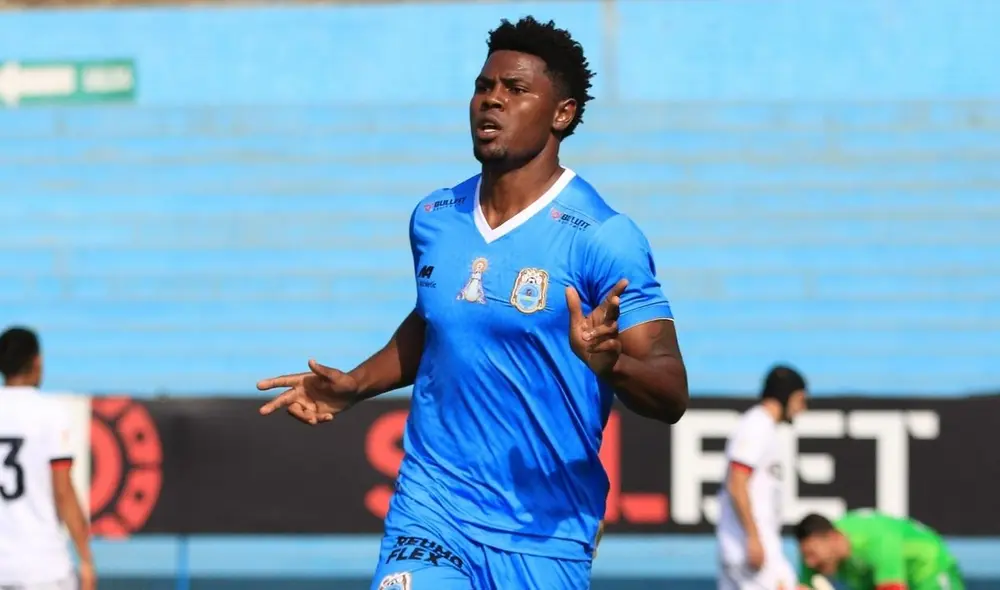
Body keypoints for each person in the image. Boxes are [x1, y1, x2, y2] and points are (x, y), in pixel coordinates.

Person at [257, 15, 688, 590]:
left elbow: (670, 390)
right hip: (430, 510)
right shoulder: (435, 218)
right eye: (485, 86)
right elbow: (439, 323)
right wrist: (356, 384)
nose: (492, 101)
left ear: (562, 114)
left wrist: (613, 365)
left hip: (542, 534)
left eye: (516, 90)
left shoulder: (603, 236)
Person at [0, 326, 95, 590]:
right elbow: (63, 493)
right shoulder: (50, 413)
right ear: (36, 361)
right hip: (42, 567)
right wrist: (86, 558)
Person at [716, 365, 809, 590]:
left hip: (745, 544)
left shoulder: (764, 428)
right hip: (750, 547)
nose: (802, 409)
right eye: (801, 400)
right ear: (789, 396)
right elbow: (737, 484)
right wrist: (753, 537)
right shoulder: (756, 425)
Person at [795, 510, 965, 590]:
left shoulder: (876, 541)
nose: (810, 562)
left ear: (833, 538)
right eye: (805, 556)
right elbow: (802, 587)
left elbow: (892, 588)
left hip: (927, 567)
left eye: (813, 555)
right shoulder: (812, 559)